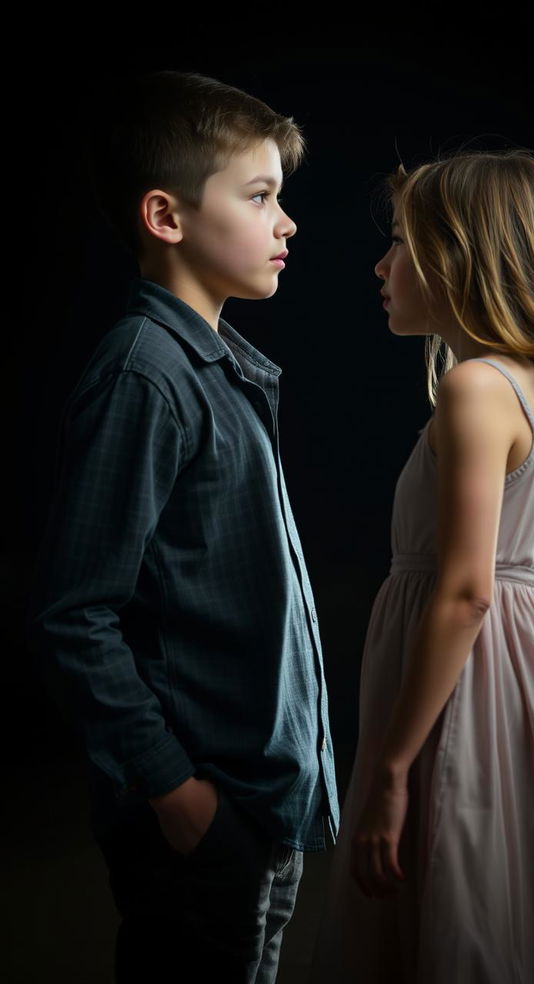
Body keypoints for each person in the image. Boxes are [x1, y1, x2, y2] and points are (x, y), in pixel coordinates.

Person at [26, 69, 340, 984]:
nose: (286, 223)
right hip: (203, 820)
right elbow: (72, 614)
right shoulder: (146, 373)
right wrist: (178, 792)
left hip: (251, 813)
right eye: (259, 196)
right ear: (166, 217)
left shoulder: (215, 367)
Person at [308, 149, 534, 983]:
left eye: (401, 245)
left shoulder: (475, 392)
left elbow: (463, 593)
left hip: (468, 694)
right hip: (518, 686)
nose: (381, 265)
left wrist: (386, 771)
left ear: (459, 255)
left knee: (458, 900)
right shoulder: (521, 386)